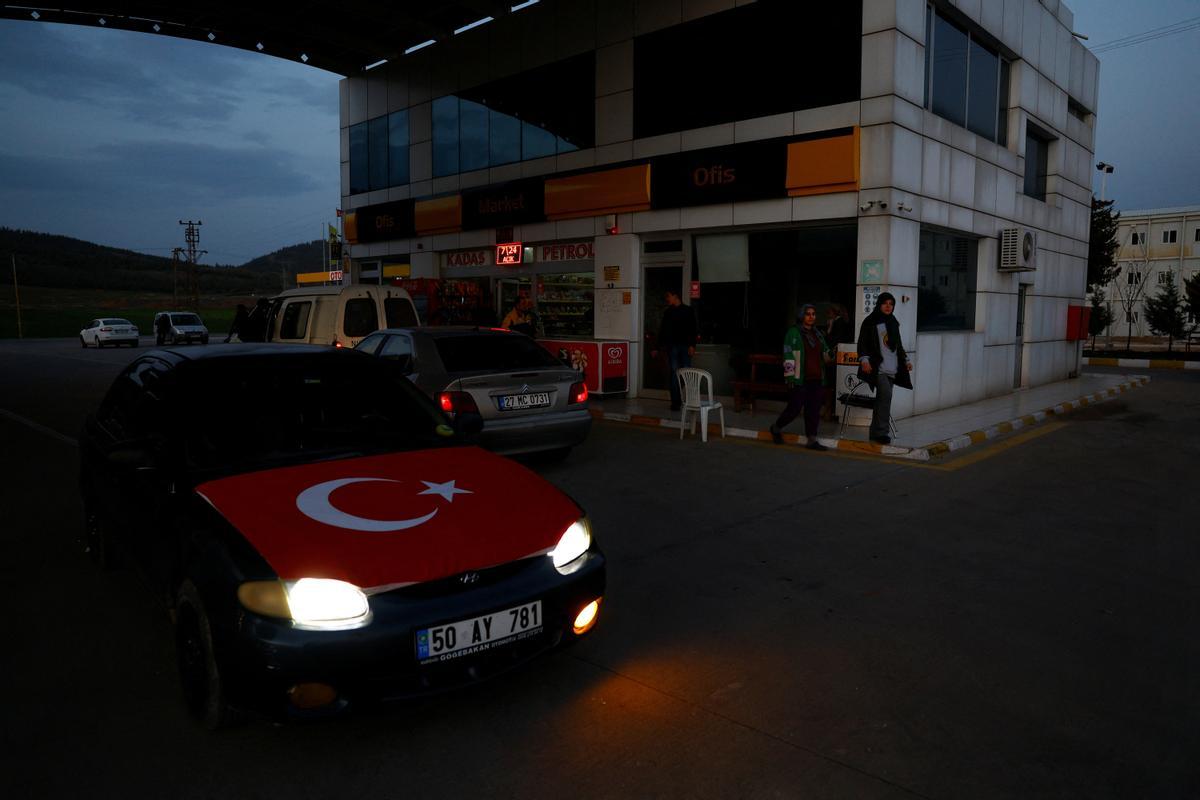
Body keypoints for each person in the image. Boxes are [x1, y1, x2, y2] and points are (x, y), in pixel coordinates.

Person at [769, 304, 833, 450]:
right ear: (801, 316)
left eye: (813, 314)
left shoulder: (817, 333)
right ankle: (776, 428)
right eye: (808, 314)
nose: (811, 317)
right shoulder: (793, 332)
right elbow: (788, 355)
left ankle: (811, 439)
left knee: (813, 410)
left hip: (816, 378)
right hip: (799, 378)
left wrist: (831, 354)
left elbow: (825, 351)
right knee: (794, 408)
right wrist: (790, 377)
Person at [856, 292, 913, 445]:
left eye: (891, 304)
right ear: (879, 304)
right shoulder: (870, 321)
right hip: (878, 368)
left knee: (883, 400)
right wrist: (864, 360)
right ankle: (881, 433)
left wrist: (906, 360)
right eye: (885, 303)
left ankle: (875, 432)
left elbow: (898, 344)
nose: (888, 306)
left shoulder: (893, 321)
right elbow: (863, 343)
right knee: (885, 397)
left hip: (892, 368)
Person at [650, 289, 696, 411]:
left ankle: (690, 400)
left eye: (668, 296)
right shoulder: (668, 312)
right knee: (675, 374)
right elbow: (663, 330)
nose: (667, 299)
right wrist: (657, 347)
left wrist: (692, 345)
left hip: (685, 346)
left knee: (686, 374)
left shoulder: (688, 310)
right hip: (673, 347)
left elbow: (693, 328)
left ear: (675, 296)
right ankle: (676, 402)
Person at [822, 304, 853, 420]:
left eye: (829, 313)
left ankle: (830, 411)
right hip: (839, 357)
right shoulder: (842, 323)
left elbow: (833, 340)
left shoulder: (837, 323)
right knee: (834, 384)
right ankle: (830, 410)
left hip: (834, 357)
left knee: (830, 384)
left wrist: (828, 331)